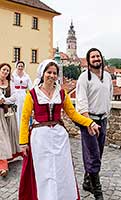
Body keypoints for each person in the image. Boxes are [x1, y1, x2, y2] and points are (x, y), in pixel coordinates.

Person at [19, 59, 100, 200]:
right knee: (44, 171)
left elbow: (73, 114)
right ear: (42, 74)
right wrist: (23, 142)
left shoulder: (62, 94)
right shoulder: (32, 94)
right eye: (49, 72)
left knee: (62, 170)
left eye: (54, 73)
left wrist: (90, 122)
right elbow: (25, 119)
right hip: (40, 138)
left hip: (59, 137)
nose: (51, 75)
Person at [76, 48, 113, 200]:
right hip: (89, 121)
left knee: (98, 153)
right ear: (88, 60)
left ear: (101, 58)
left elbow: (109, 98)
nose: (96, 59)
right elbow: (81, 102)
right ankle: (97, 191)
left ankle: (87, 181)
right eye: (93, 57)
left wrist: (106, 117)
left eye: (98, 56)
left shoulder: (108, 77)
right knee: (93, 155)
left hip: (102, 120)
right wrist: (89, 123)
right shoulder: (84, 78)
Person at [0, 63, 21, 177]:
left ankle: (10, 155)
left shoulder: (11, 83)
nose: (5, 72)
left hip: (8, 112)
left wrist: (5, 101)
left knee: (10, 134)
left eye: (7, 71)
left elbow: (14, 97)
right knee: (2, 137)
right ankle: (3, 164)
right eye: (4, 70)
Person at [11, 61, 32, 129]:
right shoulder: (13, 75)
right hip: (15, 94)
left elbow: (30, 87)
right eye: (19, 66)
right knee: (17, 111)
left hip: (23, 94)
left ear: (23, 67)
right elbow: (11, 85)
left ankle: (24, 127)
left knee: (23, 110)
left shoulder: (26, 76)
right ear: (16, 66)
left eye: (22, 66)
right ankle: (16, 128)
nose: (20, 67)